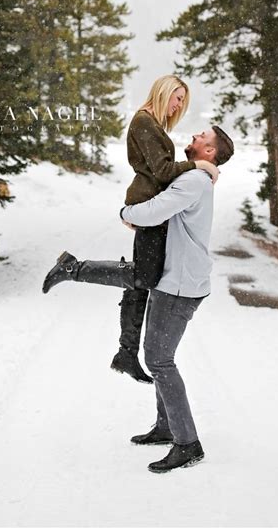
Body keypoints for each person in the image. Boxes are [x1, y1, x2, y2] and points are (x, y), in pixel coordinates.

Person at [42, 125, 234, 473]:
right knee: (159, 353)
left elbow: (153, 210)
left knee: (160, 360)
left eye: (201, 137)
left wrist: (126, 214)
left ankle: (188, 443)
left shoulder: (192, 182)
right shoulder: (197, 178)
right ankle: (166, 426)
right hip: (176, 278)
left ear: (210, 152)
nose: (193, 137)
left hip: (179, 284)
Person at [42, 75, 219, 384]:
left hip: (152, 204)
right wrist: (200, 166)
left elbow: (161, 172)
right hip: (146, 203)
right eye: (177, 98)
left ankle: (126, 354)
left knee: (142, 280)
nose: (179, 105)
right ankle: (73, 268)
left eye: (182, 101)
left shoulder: (154, 124)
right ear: (163, 92)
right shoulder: (144, 121)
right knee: (141, 277)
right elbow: (163, 171)